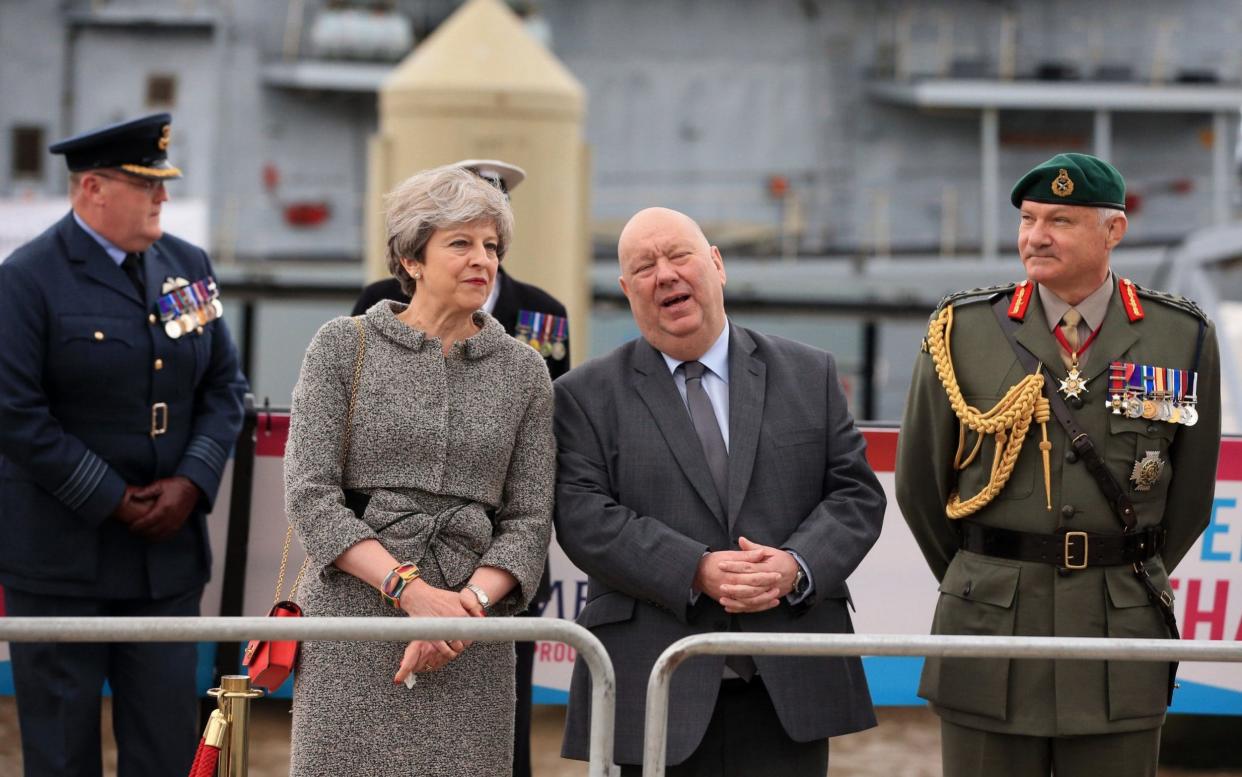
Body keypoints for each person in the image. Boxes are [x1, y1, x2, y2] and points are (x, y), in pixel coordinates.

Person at [895, 153, 1221, 777]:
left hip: (1116, 640)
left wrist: (1113, 574)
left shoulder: (1180, 336)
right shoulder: (962, 330)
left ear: (1113, 231)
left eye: (1060, 220)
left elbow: (1189, 503)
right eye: (1027, 218)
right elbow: (918, 488)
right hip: (989, 635)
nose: (1036, 236)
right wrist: (987, 572)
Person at [553, 207, 885, 774]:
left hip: (787, 685)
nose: (665, 274)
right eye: (644, 266)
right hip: (651, 686)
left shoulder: (810, 374)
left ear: (717, 264)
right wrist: (695, 569)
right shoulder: (583, 394)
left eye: (679, 255)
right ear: (627, 289)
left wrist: (795, 566)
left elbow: (856, 495)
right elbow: (583, 516)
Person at [284, 164, 554, 775]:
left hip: (471, 638)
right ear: (411, 258)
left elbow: (530, 520)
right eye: (460, 243)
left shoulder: (524, 371)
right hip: (353, 627)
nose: (481, 259)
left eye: (491, 246)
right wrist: (413, 594)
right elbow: (311, 495)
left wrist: (461, 609)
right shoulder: (342, 345)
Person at [0, 113, 247, 777]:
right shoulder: (26, 279)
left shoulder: (186, 265)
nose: (163, 197)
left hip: (161, 561)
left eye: (162, 184)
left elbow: (227, 387)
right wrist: (110, 497)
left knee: (166, 749)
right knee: (59, 753)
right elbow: (15, 413)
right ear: (93, 190)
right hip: (60, 560)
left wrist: (191, 482)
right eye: (147, 185)